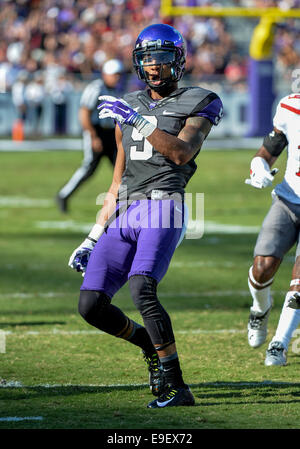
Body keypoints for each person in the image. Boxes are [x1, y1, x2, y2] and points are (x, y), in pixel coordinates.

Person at [68, 24, 223, 408]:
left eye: (163, 58)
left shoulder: (201, 99)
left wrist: (140, 122)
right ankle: (149, 347)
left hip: (165, 203)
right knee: (90, 305)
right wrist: (91, 237)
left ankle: (178, 387)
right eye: (147, 59)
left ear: (180, 60)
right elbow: (118, 179)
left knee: (142, 287)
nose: (154, 67)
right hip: (126, 210)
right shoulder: (129, 104)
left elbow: (182, 153)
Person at [246, 93, 300, 366]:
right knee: (262, 265)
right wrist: (259, 167)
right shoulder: (290, 106)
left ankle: (279, 342)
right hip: (289, 199)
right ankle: (260, 307)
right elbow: (269, 149)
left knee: (299, 281)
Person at [56, 59, 124, 213]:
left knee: (122, 170)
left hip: (110, 134)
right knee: (88, 168)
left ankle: (126, 203)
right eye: (114, 75)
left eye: (119, 75)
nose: (117, 78)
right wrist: (93, 136)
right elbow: (84, 113)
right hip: (97, 131)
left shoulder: (116, 90)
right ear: (105, 74)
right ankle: (63, 195)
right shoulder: (96, 88)